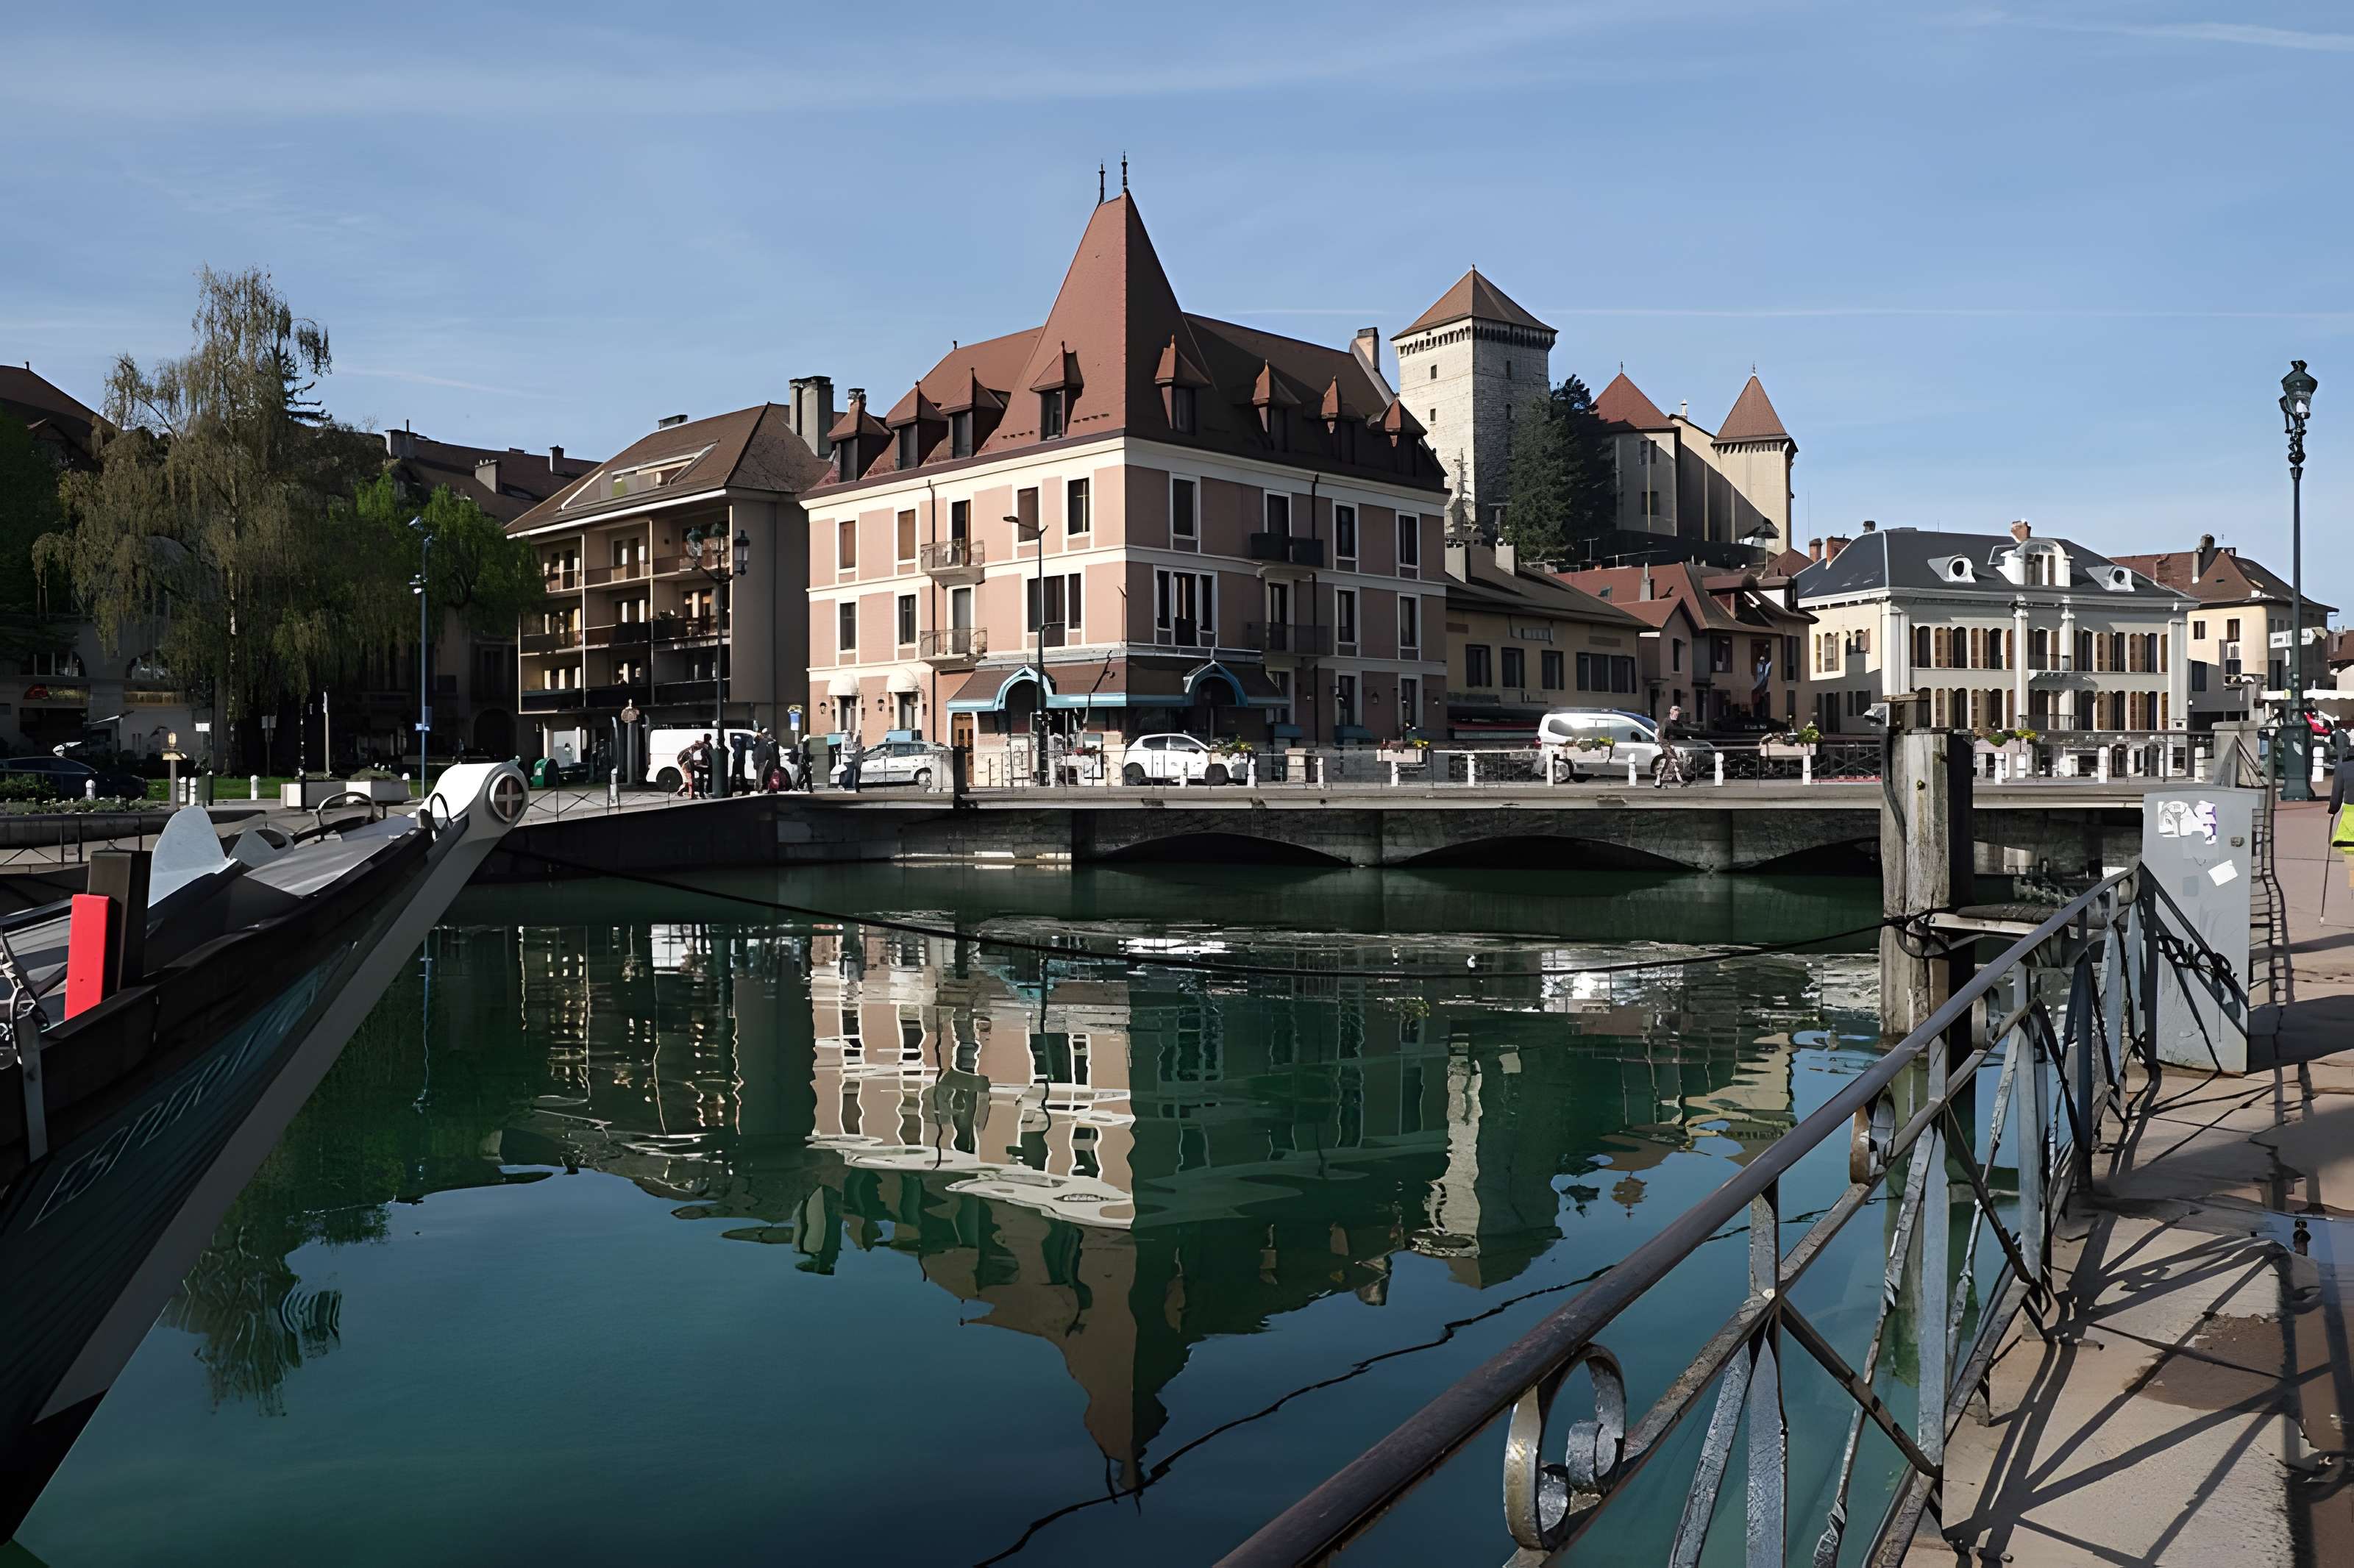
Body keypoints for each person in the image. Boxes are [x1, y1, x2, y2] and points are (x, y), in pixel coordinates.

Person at [1654, 705, 1690, 789]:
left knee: (1668, 763)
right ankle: (1679, 779)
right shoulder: (1666, 722)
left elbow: (1681, 735)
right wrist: (1668, 746)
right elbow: (1661, 736)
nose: (1677, 713)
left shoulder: (1679, 723)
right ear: (1672, 712)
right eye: (1676, 711)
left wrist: (1687, 738)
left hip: (1675, 746)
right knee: (1672, 760)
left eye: (1678, 712)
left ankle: (1660, 779)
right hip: (1666, 745)